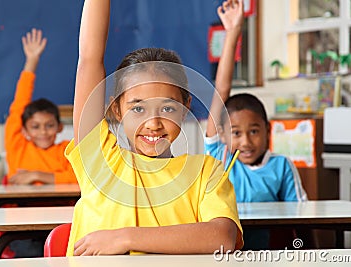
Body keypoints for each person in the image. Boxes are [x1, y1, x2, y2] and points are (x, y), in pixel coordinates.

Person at [65, 0, 244, 256]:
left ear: (185, 108)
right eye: (138, 108)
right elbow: (89, 60)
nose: (153, 123)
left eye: (168, 108)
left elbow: (222, 237)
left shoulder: (205, 171)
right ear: (117, 109)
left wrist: (126, 238)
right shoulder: (100, 160)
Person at [204, 1, 307, 250]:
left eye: (254, 131)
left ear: (268, 131)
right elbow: (221, 90)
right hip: (224, 255)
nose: (246, 142)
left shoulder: (281, 166)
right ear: (222, 134)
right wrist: (233, 32)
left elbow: (303, 217)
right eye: (236, 133)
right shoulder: (220, 158)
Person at [4, 28, 77, 185]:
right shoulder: (17, 146)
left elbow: (80, 179)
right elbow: (19, 103)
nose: (43, 132)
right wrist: (32, 61)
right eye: (35, 127)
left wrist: (36, 175)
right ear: (24, 130)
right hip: (21, 208)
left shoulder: (66, 151)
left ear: (60, 127)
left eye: (49, 125)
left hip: (58, 208)